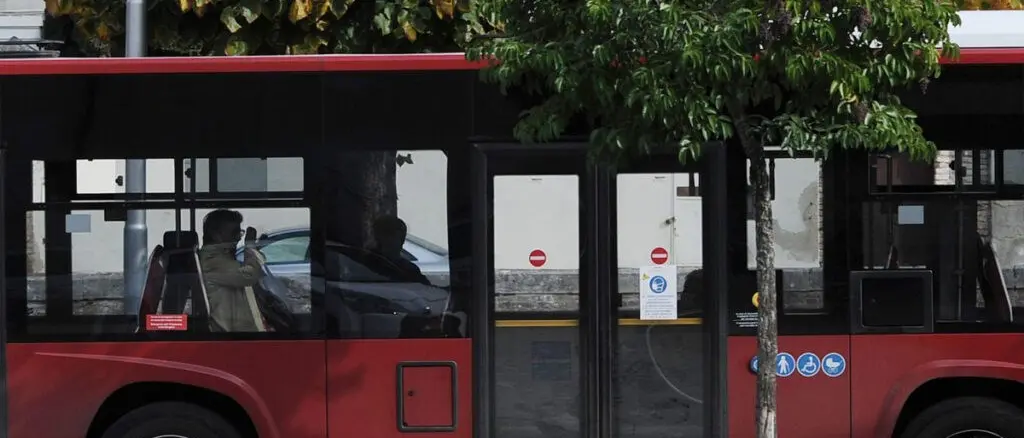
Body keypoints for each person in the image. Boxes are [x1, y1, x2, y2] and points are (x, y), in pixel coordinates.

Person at [198, 209, 265, 332]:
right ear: (215, 235)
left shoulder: (223, 256)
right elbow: (249, 275)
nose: (238, 238)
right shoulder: (211, 260)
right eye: (234, 233)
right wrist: (250, 247)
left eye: (239, 232)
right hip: (227, 333)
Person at [368, 215, 431, 285]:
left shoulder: (409, 269)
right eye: (390, 235)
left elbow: (426, 288)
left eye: (402, 237)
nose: (401, 242)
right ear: (378, 237)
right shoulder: (366, 265)